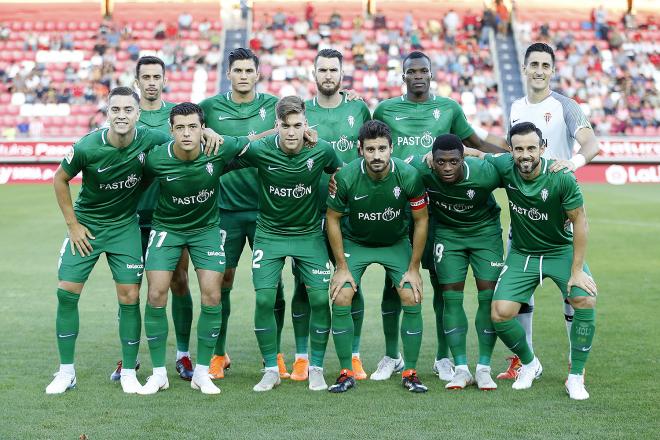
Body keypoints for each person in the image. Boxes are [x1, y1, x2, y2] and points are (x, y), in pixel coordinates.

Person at [372, 51, 505, 383]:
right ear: (402, 76)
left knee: (443, 285)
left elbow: (478, 144)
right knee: (396, 282)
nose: (418, 75)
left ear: (432, 74)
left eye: (424, 71)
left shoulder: (449, 109)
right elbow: (373, 146)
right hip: (398, 208)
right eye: (411, 71)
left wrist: (514, 157)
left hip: (438, 212)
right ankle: (392, 354)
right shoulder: (386, 109)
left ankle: (444, 358)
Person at [47, 87, 171, 394]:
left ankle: (129, 371)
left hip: (124, 228)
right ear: (107, 113)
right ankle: (66, 372)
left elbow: (184, 143)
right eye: (116, 110)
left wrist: (209, 134)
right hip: (87, 227)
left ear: (138, 114)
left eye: (128, 110)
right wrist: (73, 225)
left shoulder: (151, 138)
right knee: (67, 293)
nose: (122, 115)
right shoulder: (88, 146)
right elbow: (59, 179)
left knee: (130, 296)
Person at [110, 56, 220, 383]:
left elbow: (198, 137)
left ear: (164, 79)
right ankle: (128, 358)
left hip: (170, 217)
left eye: (157, 76)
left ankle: (182, 354)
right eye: (146, 77)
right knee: (129, 289)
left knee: (178, 281)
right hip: (131, 215)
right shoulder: (129, 117)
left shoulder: (179, 116)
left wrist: (208, 130)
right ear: (137, 81)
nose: (152, 82)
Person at [470, 121, 597, 400]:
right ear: (511, 150)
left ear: (543, 148)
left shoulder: (561, 176)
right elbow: (481, 155)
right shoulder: (505, 165)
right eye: (518, 149)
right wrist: (457, 152)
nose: (524, 155)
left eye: (531, 148)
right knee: (500, 313)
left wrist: (577, 271)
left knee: (584, 298)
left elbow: (580, 222)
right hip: (523, 253)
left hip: (559, 251)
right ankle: (529, 364)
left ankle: (575, 376)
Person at [226, 96, 342, 392]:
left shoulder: (323, 149)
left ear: (306, 125)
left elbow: (339, 171)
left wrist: (334, 184)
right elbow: (231, 148)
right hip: (270, 235)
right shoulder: (261, 150)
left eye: (298, 125)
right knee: (265, 299)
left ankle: (315, 368)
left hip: (308, 235)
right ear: (277, 125)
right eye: (285, 126)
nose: (292, 132)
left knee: (318, 299)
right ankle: (270, 369)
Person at [499, 42, 600, 380]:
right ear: (525, 69)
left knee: (574, 293)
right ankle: (522, 361)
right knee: (518, 296)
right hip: (525, 217)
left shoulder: (565, 106)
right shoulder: (514, 107)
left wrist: (571, 164)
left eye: (546, 64)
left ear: (552, 70)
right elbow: (507, 149)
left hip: (560, 210)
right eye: (534, 64)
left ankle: (576, 360)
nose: (539, 70)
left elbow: (592, 144)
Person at [138, 103, 251, 395]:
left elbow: (253, 143)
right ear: (171, 130)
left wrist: (279, 131)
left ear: (203, 128)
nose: (186, 133)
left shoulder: (218, 150)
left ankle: (202, 372)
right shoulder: (156, 159)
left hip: (206, 231)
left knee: (213, 295)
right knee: (155, 293)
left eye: (192, 127)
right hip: (167, 229)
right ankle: (159, 373)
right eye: (180, 128)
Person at [199, 48, 289, 380]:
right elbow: (185, 127)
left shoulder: (274, 105)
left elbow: (303, 121)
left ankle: (276, 354)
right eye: (237, 70)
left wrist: (346, 93)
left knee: (272, 283)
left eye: (249, 70)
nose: (243, 76)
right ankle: (218, 354)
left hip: (267, 210)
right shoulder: (209, 108)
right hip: (224, 211)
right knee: (221, 281)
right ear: (228, 73)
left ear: (258, 74)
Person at [287, 49, 371, 382]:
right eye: (322, 69)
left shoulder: (358, 108)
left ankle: (353, 354)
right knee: (302, 285)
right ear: (313, 73)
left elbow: (373, 145)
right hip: (308, 210)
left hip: (351, 211)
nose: (327, 75)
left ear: (342, 73)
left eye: (333, 70)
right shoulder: (301, 113)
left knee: (353, 282)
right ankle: (302, 357)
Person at [326, 120, 429, 393]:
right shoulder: (346, 176)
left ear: (391, 148)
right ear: (360, 150)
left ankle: (410, 371)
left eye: (382, 148)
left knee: (411, 293)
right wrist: (341, 267)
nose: (377, 155)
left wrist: (414, 267)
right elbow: (332, 219)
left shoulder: (408, 175)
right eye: (370, 149)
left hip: (394, 243)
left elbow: (421, 220)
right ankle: (346, 371)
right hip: (357, 243)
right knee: (342, 293)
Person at [409, 134, 502, 390]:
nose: (447, 168)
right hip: (448, 234)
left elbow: (516, 170)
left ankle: (484, 369)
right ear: (432, 159)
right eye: (440, 162)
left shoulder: (484, 172)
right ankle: (460, 369)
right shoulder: (420, 168)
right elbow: (392, 168)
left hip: (485, 234)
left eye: (453, 161)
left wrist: (481, 153)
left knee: (487, 296)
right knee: (451, 296)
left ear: (463, 158)